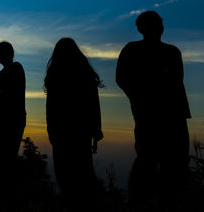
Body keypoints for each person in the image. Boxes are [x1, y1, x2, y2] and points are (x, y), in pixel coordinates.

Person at [116, 11, 190, 209]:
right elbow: (122, 79)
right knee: (147, 158)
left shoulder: (173, 52)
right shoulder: (132, 50)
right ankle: (135, 201)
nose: (159, 26)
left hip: (175, 114)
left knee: (174, 161)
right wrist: (140, 100)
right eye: (155, 23)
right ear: (141, 29)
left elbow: (177, 81)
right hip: (149, 115)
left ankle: (168, 200)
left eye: (160, 23)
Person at [44, 38, 103, 207]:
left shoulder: (55, 75)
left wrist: (51, 132)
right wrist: (96, 132)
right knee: (83, 172)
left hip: (62, 132)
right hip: (80, 132)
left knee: (65, 175)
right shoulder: (85, 75)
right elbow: (94, 105)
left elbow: (51, 109)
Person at [0, 41, 26, 186]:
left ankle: (10, 190)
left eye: (0, 54)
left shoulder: (16, 68)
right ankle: (5, 188)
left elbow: (1, 88)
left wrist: (0, 91)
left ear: (9, 54)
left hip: (12, 120)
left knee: (8, 157)